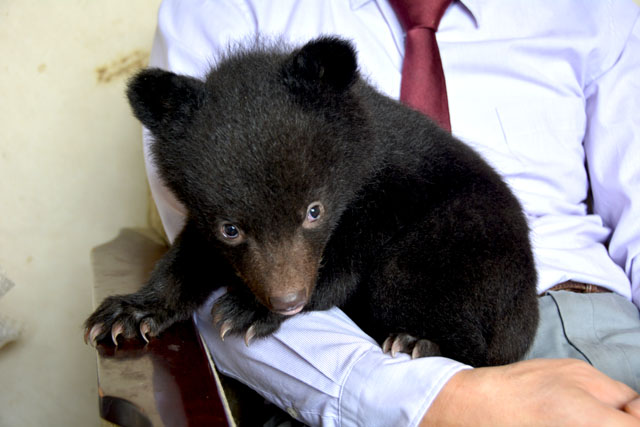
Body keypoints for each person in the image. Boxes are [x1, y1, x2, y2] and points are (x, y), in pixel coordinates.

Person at [142, 0, 640, 425]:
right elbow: (206, 239)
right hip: (339, 352)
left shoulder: (603, 11)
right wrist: (431, 400)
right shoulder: (221, 16)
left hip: (554, 307)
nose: (283, 290)